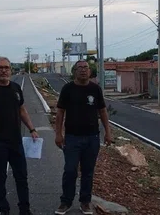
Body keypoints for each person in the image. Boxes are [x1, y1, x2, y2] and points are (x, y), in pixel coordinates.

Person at [0, 56, 38, 215]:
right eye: (0, 68)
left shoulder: (16, 88)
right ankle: (4, 209)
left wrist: (32, 129)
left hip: (16, 141)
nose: (4, 70)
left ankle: (25, 209)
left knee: (22, 177)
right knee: (0, 178)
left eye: (6, 67)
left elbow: (22, 110)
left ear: (11, 70)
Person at [54, 60, 112, 215]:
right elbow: (60, 112)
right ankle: (65, 202)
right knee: (70, 170)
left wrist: (108, 132)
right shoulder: (67, 89)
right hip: (72, 138)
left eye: (86, 68)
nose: (83, 71)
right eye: (79, 68)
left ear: (90, 71)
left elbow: (103, 111)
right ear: (75, 71)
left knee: (88, 172)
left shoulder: (95, 89)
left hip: (92, 138)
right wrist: (58, 134)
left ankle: (85, 202)